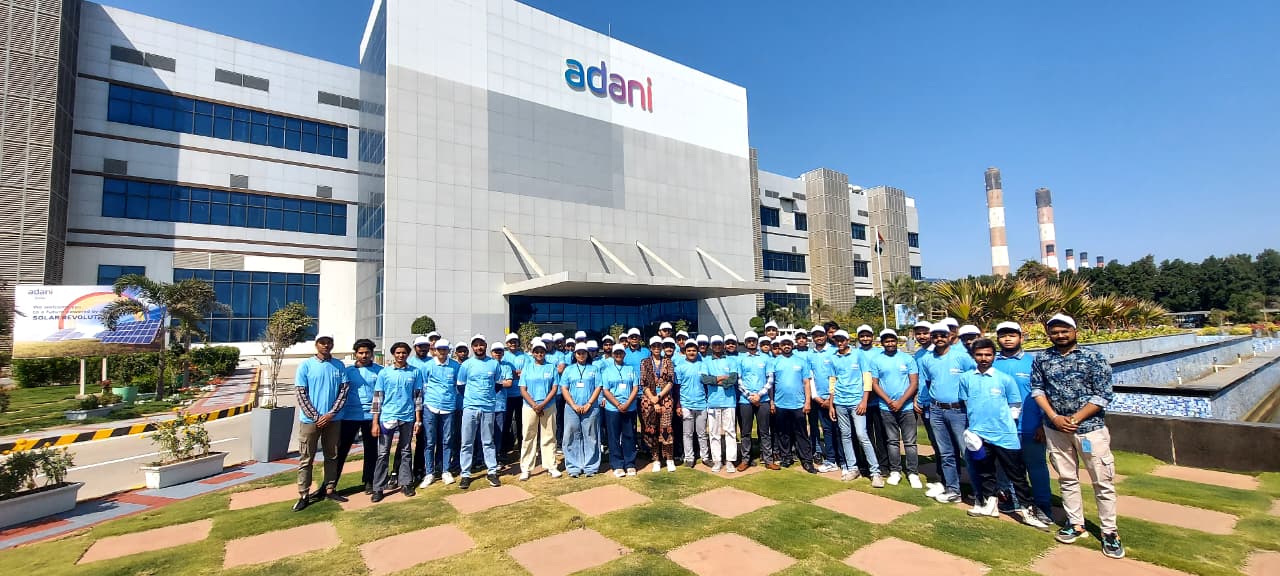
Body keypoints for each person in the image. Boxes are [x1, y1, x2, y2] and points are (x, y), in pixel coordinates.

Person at [1031, 314, 1123, 559]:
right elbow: (1037, 389)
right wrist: (1054, 417)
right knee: (1067, 479)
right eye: (1055, 332)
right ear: (1048, 334)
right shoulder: (1043, 358)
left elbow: (1103, 394)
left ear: (1075, 331)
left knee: (1102, 481)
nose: (1060, 335)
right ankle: (1075, 523)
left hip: (1090, 429)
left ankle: (1109, 532)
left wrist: (1075, 418)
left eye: (1065, 331)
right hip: (1056, 430)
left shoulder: (1093, 358)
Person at [960, 338, 1049, 529]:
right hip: (978, 436)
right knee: (986, 471)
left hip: (1005, 436)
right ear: (973, 356)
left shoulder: (1004, 379)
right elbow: (966, 402)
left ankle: (1028, 511)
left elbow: (1015, 405)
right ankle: (990, 505)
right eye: (979, 354)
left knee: (1016, 475)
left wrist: (1004, 423)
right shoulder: (966, 378)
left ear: (994, 356)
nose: (984, 358)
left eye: (988, 354)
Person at [992, 321, 1054, 525]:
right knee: (1006, 468)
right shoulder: (992, 363)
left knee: (1036, 468)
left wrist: (1043, 424)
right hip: (1002, 429)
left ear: (1021, 337)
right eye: (1003, 335)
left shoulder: (1033, 362)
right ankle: (1012, 501)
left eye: (1012, 335)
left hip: (1029, 427)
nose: (1007, 339)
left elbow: (1046, 395)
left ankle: (1043, 507)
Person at [918, 322, 977, 504]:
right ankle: (953, 490)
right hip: (936, 410)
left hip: (959, 410)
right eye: (935, 336)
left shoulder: (962, 357)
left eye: (942, 335)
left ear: (950, 336)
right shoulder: (927, 359)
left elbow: (974, 379)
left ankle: (980, 492)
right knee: (946, 453)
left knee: (967, 452)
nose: (939, 338)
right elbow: (928, 382)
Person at [293, 334, 350, 512]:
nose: (326, 345)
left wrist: (330, 414)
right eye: (322, 342)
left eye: (329, 342)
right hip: (310, 421)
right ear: (316, 344)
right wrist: (316, 416)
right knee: (306, 458)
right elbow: (301, 393)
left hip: (333, 420)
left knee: (332, 455)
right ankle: (304, 494)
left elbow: (343, 392)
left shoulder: (339, 366)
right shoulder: (306, 366)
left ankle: (330, 488)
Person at [870, 330, 923, 489]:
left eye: (892, 340)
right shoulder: (876, 360)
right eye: (887, 341)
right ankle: (895, 471)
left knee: (910, 442)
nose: (890, 344)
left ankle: (913, 473)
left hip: (906, 407)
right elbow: (874, 384)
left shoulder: (907, 359)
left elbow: (914, 383)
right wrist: (889, 401)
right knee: (892, 441)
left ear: (897, 341)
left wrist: (901, 401)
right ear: (882, 343)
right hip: (886, 407)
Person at [370, 342, 422, 501]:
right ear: (393, 354)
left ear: (408, 354)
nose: (401, 355)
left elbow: (418, 397)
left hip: (407, 417)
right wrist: (375, 422)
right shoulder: (384, 373)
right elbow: (378, 398)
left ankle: (406, 482)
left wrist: (418, 420)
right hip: (387, 417)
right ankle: (378, 487)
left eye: (404, 353)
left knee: (406, 451)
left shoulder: (415, 372)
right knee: (383, 453)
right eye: (398, 353)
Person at [830, 330, 883, 486]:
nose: (840, 343)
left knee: (862, 435)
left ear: (848, 340)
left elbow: (867, 379)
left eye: (842, 340)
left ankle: (875, 472)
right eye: (837, 340)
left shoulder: (858, 355)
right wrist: (831, 404)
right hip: (840, 402)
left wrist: (864, 401)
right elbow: (832, 381)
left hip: (856, 401)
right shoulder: (833, 357)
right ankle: (853, 468)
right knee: (845, 435)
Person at [457, 335, 505, 490]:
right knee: (467, 442)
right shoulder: (466, 365)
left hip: (488, 408)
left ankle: (492, 471)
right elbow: (460, 386)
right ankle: (465, 474)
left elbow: (498, 384)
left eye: (481, 344)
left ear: (485, 345)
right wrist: (473, 398)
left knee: (488, 441)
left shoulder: (494, 364)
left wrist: (487, 397)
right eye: (476, 345)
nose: (479, 347)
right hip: (470, 407)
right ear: (472, 347)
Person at [336, 339, 379, 496]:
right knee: (341, 450)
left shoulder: (379, 371)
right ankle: (331, 484)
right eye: (361, 353)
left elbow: (380, 395)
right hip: (349, 416)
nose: (364, 355)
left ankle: (369, 481)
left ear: (372, 354)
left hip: (370, 416)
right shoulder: (348, 372)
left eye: (367, 353)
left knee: (371, 450)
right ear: (356, 354)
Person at [768, 335, 817, 473]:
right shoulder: (774, 362)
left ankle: (807, 460)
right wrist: (772, 402)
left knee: (801, 433)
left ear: (792, 344)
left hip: (798, 404)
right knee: (783, 432)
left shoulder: (801, 361)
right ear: (780, 346)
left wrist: (808, 402)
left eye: (788, 343)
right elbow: (771, 385)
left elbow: (806, 383)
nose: (786, 346)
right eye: (784, 344)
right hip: (780, 403)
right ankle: (786, 457)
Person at [519, 338, 561, 480]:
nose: (539, 354)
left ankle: (551, 466)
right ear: (532, 353)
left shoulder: (551, 367)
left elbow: (554, 388)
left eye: (541, 351)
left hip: (548, 406)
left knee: (549, 436)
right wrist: (534, 405)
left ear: (545, 352)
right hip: (529, 406)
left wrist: (543, 404)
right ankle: (526, 468)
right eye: (536, 351)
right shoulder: (527, 367)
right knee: (528, 436)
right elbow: (523, 389)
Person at [420, 339, 461, 487]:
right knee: (430, 441)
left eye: (444, 349)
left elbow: (458, 385)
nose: (442, 352)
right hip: (430, 406)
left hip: (449, 407)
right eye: (439, 349)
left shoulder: (455, 366)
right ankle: (429, 473)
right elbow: (424, 385)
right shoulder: (427, 366)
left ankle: (445, 471)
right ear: (435, 350)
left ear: (448, 350)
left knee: (447, 440)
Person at [561, 342, 603, 477]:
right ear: (575, 354)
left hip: (590, 407)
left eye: (583, 353)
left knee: (591, 435)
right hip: (571, 407)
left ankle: (590, 466)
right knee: (571, 435)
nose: (581, 355)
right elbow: (564, 388)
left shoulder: (594, 369)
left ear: (587, 354)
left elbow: (598, 387)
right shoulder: (569, 369)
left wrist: (589, 403)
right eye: (578, 353)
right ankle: (574, 466)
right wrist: (573, 405)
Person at [806, 326, 843, 474]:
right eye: (815, 336)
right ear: (813, 338)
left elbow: (838, 375)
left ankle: (843, 460)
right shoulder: (810, 354)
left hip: (836, 398)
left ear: (825, 336)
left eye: (821, 335)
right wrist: (816, 397)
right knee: (827, 430)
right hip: (820, 400)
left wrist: (831, 398)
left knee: (840, 430)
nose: (819, 338)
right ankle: (831, 460)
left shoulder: (834, 351)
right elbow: (810, 377)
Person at [736, 331, 774, 471]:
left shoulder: (766, 358)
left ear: (757, 342)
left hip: (763, 399)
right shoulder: (740, 359)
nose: (751, 343)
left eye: (754, 340)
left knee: (764, 431)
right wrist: (750, 396)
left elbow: (770, 379)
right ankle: (745, 459)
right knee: (745, 432)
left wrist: (759, 395)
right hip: (745, 400)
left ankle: (768, 460)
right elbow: (738, 380)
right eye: (749, 341)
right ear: (745, 343)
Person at [703, 335, 740, 473]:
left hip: (729, 401)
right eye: (715, 344)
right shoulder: (706, 361)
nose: (717, 346)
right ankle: (717, 461)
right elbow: (705, 379)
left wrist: (717, 381)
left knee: (730, 432)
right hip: (713, 402)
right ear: (711, 346)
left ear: (723, 345)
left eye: (719, 344)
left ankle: (730, 461)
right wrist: (721, 378)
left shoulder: (731, 360)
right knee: (714, 433)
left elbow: (733, 379)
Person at [602, 343, 640, 477]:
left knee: (629, 435)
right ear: (613, 354)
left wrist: (627, 403)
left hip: (630, 407)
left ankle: (630, 463)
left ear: (624, 354)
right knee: (613, 436)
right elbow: (606, 390)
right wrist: (618, 404)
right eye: (616, 353)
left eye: (621, 352)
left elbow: (635, 387)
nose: (618, 355)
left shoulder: (630, 369)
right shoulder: (607, 371)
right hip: (613, 408)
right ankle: (617, 464)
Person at [640, 336, 677, 472]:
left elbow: (670, 382)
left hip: (665, 399)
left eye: (658, 346)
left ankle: (669, 458)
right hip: (649, 401)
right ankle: (656, 459)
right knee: (652, 430)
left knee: (666, 429)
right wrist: (653, 399)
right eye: (654, 346)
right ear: (650, 348)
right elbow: (643, 383)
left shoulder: (668, 362)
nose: (656, 348)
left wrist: (659, 396)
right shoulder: (645, 362)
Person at [676, 340, 710, 467]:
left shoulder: (703, 365)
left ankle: (705, 457)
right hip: (686, 404)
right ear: (685, 352)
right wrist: (678, 405)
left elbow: (706, 385)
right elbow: (677, 388)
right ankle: (689, 457)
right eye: (689, 350)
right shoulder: (680, 367)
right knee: (687, 433)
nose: (691, 352)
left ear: (697, 351)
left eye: (694, 350)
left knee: (702, 433)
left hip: (701, 403)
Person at [406, 336, 435, 484]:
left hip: (428, 405)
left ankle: (419, 470)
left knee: (423, 440)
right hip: (409, 406)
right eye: (419, 346)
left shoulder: (433, 362)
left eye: (425, 346)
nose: (422, 349)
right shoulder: (409, 362)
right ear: (414, 347)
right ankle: (399, 472)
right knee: (405, 442)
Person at [488, 342, 515, 467]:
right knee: (487, 433)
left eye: (500, 351)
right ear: (491, 353)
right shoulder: (487, 364)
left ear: (503, 353)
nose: (497, 353)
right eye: (495, 351)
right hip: (486, 404)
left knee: (500, 432)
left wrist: (492, 382)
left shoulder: (506, 366)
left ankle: (498, 456)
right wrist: (500, 382)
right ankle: (485, 457)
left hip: (500, 404)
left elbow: (509, 383)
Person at [502, 333, 528, 460]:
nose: (513, 344)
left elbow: (527, 372)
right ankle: (506, 448)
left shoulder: (525, 356)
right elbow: (504, 373)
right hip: (506, 395)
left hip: (521, 394)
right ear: (507, 344)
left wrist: (515, 374)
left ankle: (522, 447)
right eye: (511, 342)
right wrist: (514, 373)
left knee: (521, 422)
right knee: (506, 422)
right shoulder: (503, 355)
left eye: (515, 341)